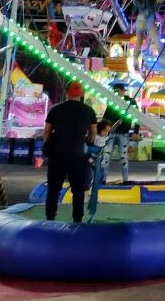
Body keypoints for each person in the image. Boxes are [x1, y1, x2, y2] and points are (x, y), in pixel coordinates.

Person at [42, 82, 97, 223]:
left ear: (66, 92)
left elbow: (46, 133)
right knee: (78, 189)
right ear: (82, 94)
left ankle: (50, 218)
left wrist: (48, 145)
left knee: (54, 188)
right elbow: (93, 135)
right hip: (78, 155)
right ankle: (77, 219)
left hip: (57, 154)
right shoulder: (89, 111)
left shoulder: (55, 109)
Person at [100, 83, 139, 183]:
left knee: (123, 158)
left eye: (117, 91)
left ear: (122, 91)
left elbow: (137, 116)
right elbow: (106, 117)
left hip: (123, 132)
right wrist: (104, 130)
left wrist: (136, 131)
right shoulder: (112, 101)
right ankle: (103, 179)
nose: (116, 93)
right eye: (115, 92)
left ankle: (125, 179)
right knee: (106, 157)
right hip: (111, 133)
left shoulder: (131, 101)